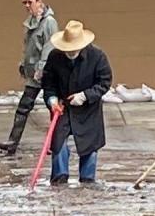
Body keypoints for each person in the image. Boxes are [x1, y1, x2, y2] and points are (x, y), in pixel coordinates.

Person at [43, 20, 113, 186]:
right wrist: (52, 100)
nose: (71, 51)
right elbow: (48, 83)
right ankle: (59, 179)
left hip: (88, 109)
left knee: (89, 145)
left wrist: (85, 96)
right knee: (58, 143)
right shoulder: (55, 57)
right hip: (62, 107)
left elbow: (105, 83)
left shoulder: (98, 57)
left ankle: (87, 181)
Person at [0, 0, 59, 156]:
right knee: (24, 107)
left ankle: (55, 143)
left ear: (39, 1)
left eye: (29, 2)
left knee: (53, 106)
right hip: (33, 73)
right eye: (25, 3)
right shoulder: (31, 21)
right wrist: (24, 64)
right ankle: (12, 142)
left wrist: (41, 67)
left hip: (47, 72)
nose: (27, 6)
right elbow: (29, 47)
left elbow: (49, 46)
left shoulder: (49, 22)